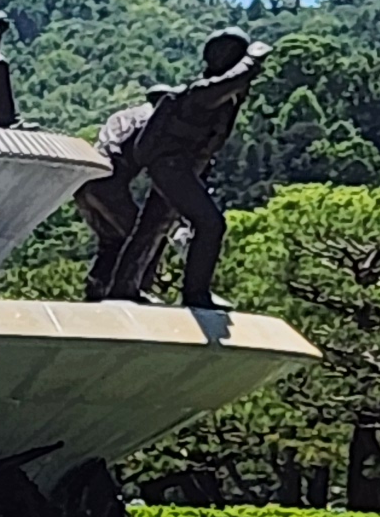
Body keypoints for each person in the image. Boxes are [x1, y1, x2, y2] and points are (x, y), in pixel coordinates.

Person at [78, 28, 270, 309]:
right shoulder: (201, 92)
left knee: (150, 229)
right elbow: (233, 81)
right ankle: (196, 293)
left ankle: (124, 288)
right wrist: (253, 59)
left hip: (178, 168)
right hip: (171, 168)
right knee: (210, 224)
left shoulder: (222, 98)